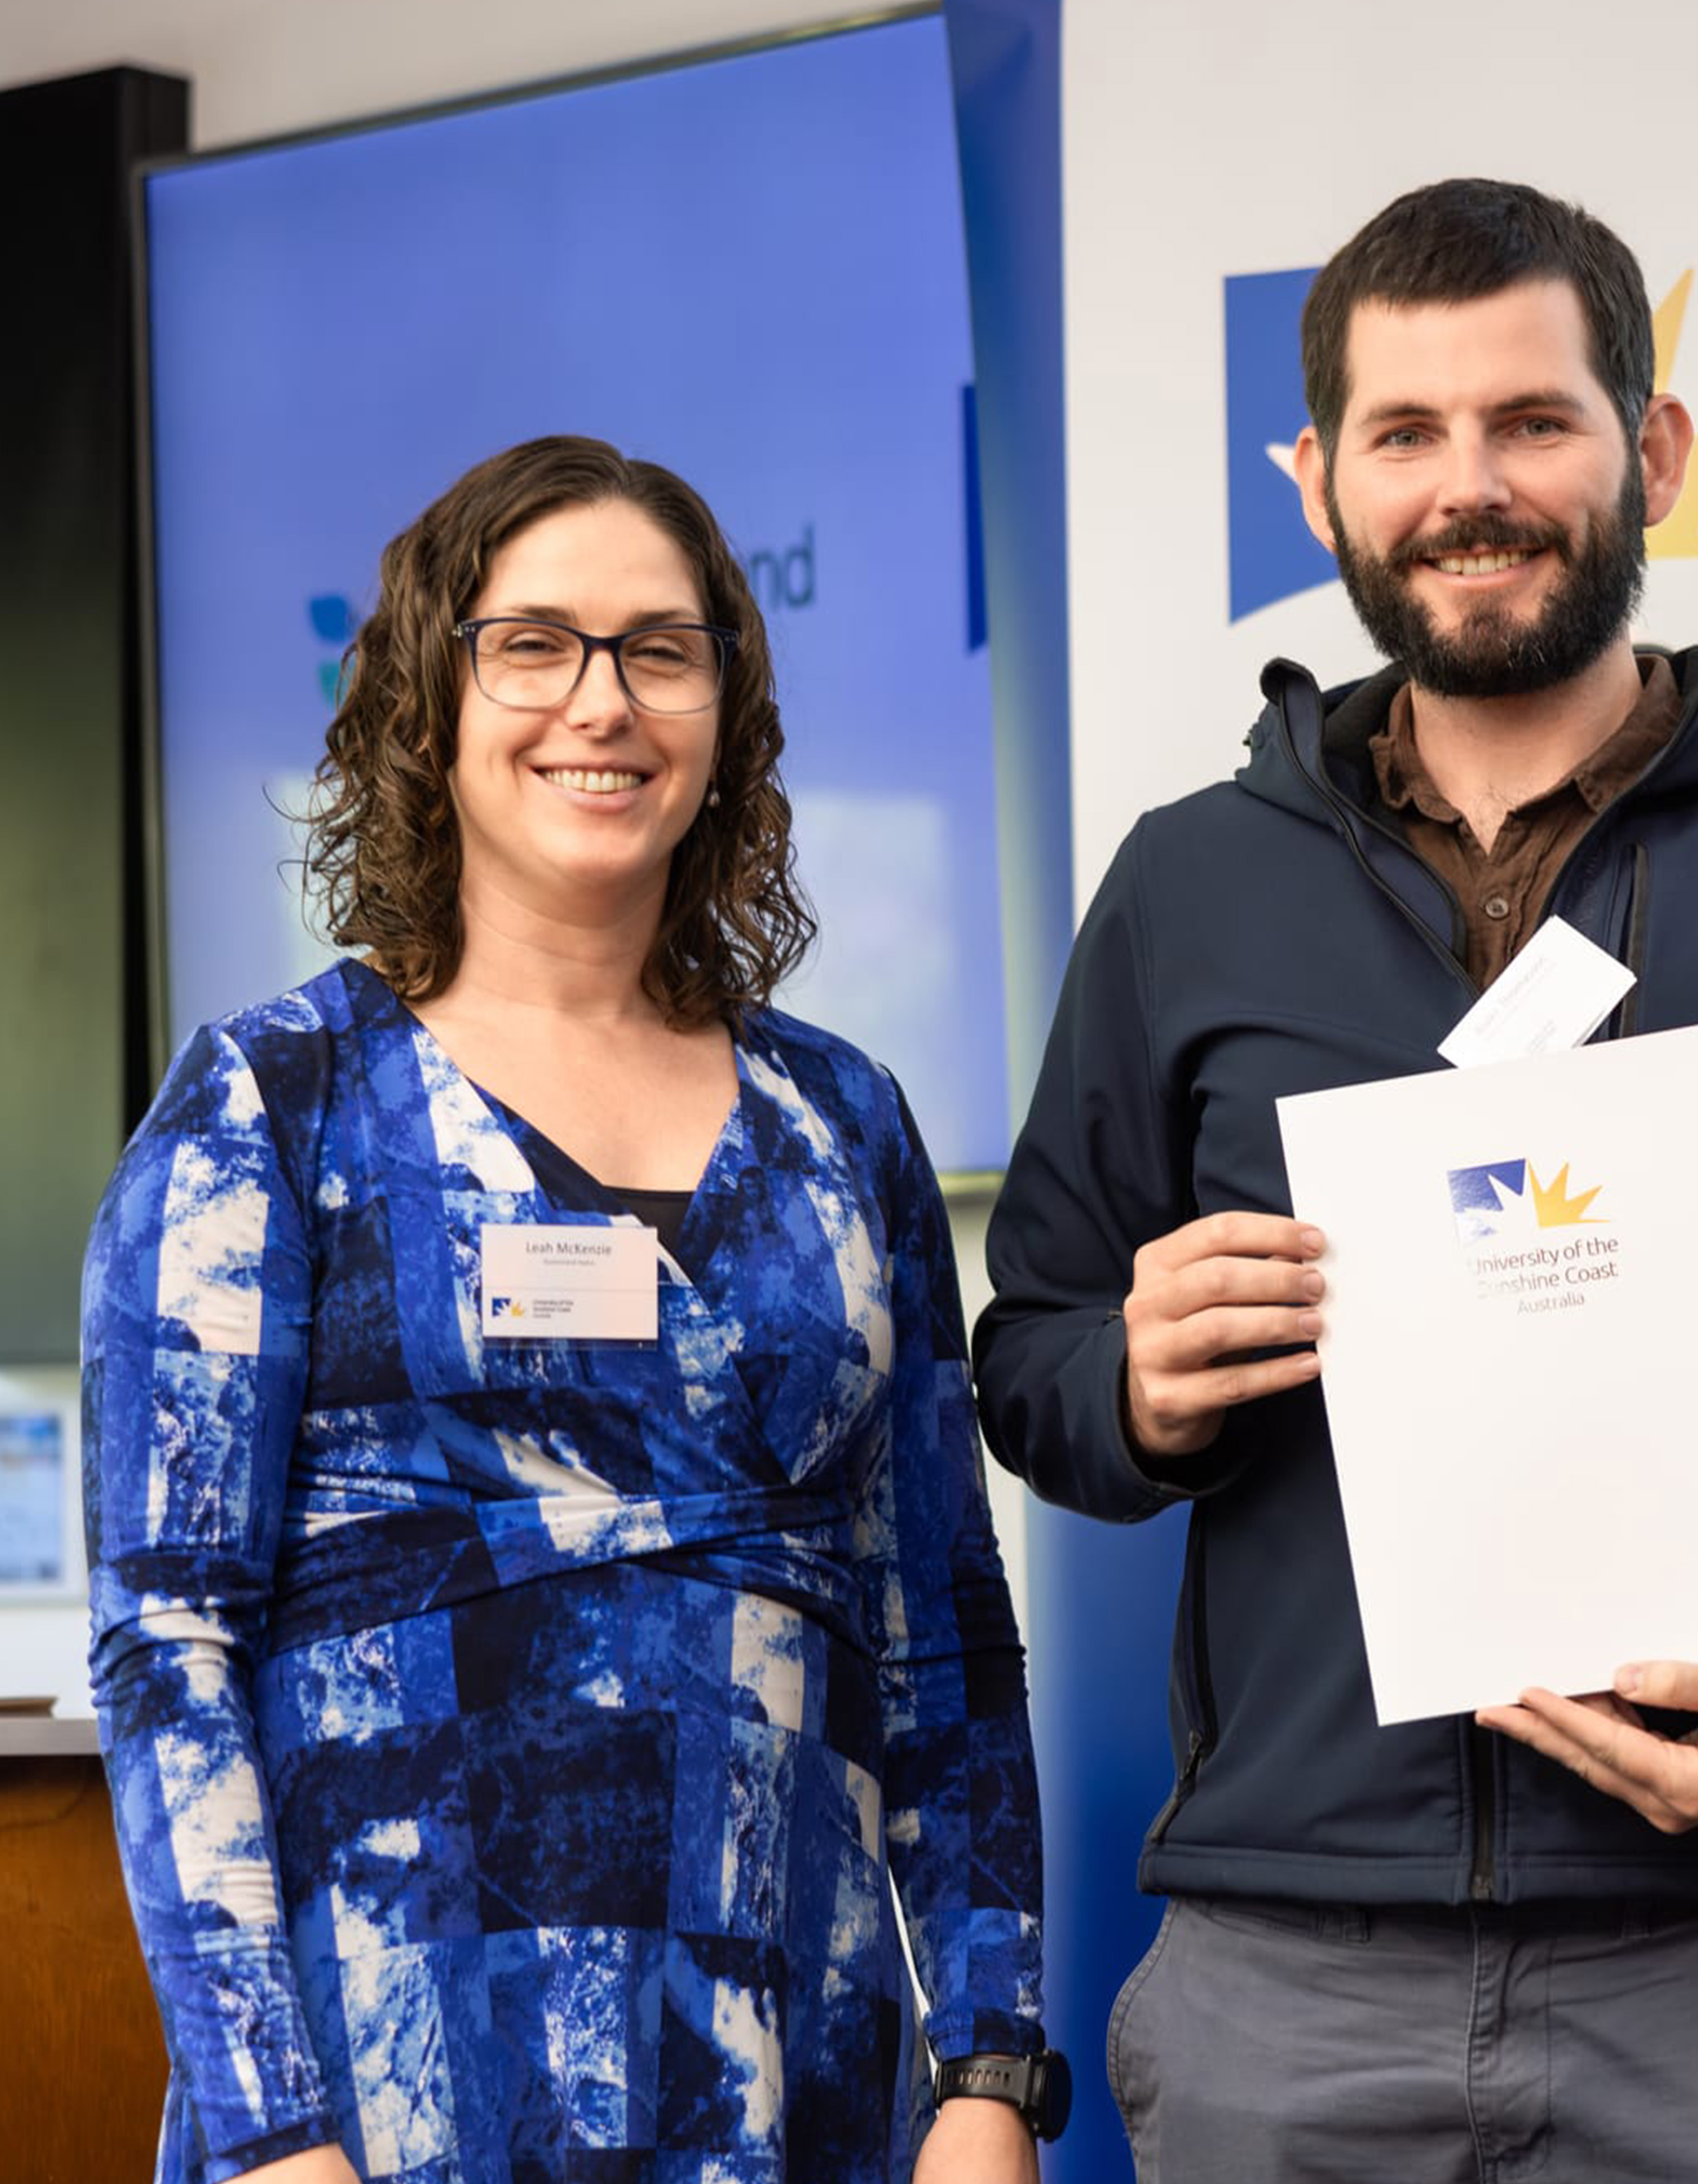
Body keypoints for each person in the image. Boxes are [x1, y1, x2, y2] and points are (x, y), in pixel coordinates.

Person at [975, 177, 1698, 2181]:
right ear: (1317, 480)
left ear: (1653, 451)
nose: (1472, 488)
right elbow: (1036, 1353)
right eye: (1406, 435)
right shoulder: (1190, 883)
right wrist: (1134, 1389)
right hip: (1284, 1964)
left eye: (1533, 422)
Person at [83, 437, 1060, 2184]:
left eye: (658, 650)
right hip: (383, 2086)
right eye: (533, 643)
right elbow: (171, 1654)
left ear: (726, 716)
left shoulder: (845, 1125)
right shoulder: (271, 1104)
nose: (598, 703)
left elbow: (949, 1644)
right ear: (429, 703)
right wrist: (266, 2132)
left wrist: (989, 2073)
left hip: (792, 2065)